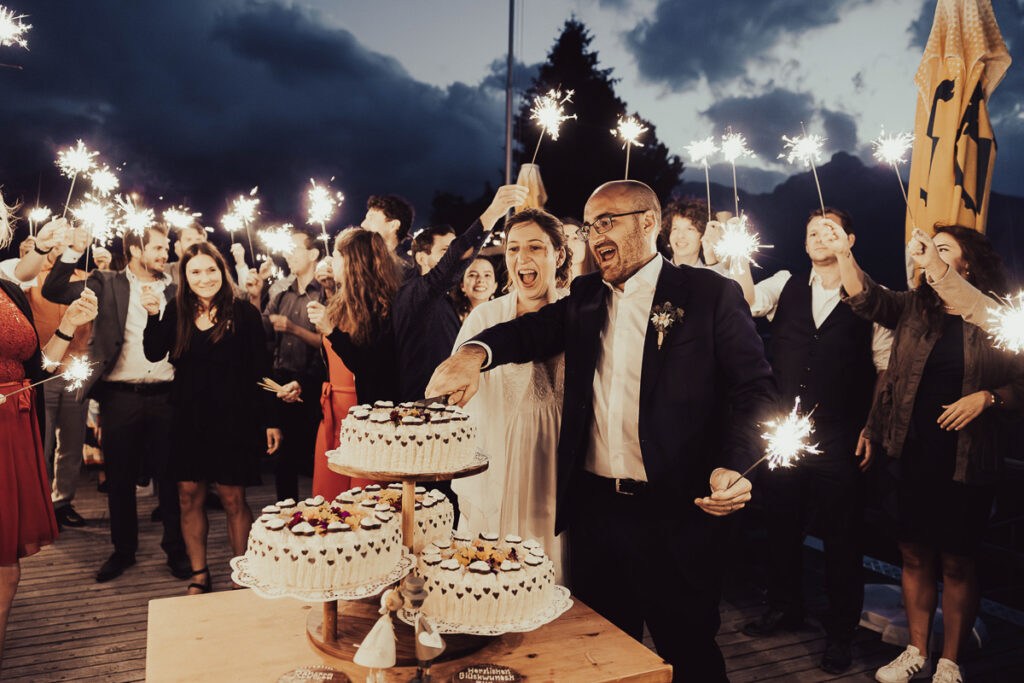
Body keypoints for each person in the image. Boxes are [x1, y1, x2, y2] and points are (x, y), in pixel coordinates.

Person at [427, 180, 777, 682]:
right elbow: (528, 331)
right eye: (590, 227)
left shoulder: (707, 294)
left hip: (676, 514)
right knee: (600, 656)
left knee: (691, 651)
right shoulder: (587, 296)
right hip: (595, 515)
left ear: (649, 222)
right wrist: (472, 354)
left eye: (607, 222)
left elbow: (754, 390)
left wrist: (737, 463)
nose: (595, 235)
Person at [825, 221, 1024, 683]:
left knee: (958, 559)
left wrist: (987, 398)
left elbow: (1021, 384)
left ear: (967, 261)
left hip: (968, 458)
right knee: (913, 554)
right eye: (926, 248)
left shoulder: (994, 314)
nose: (928, 254)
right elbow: (867, 298)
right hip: (912, 452)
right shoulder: (914, 307)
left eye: (942, 249)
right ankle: (916, 651)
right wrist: (842, 254)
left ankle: (949, 661)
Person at [740, 208, 893, 675]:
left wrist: (872, 427)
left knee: (842, 538)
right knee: (781, 525)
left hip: (841, 435)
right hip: (782, 433)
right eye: (812, 231)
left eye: (830, 230)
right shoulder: (786, 283)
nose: (819, 237)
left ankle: (841, 633)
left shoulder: (873, 298)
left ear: (848, 238)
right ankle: (785, 606)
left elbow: (885, 368)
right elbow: (743, 303)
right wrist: (738, 256)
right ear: (805, 244)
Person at [42, 223, 190, 583]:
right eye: (157, 247)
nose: (165, 252)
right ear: (136, 250)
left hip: (167, 395)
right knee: (120, 480)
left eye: (167, 246)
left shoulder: (177, 284)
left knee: (170, 480)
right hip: (119, 396)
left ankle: (177, 551)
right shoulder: (105, 282)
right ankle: (123, 551)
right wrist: (74, 250)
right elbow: (54, 288)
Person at [142, 242, 281, 594]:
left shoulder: (244, 313)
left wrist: (270, 420)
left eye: (210, 270)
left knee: (234, 498)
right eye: (195, 272)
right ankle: (199, 573)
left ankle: (242, 572)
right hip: (188, 417)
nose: (204, 278)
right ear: (184, 277)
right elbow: (154, 351)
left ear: (222, 271)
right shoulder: (176, 310)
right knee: (189, 496)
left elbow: (260, 369)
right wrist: (151, 314)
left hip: (234, 418)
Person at [1, 191, 98, 666]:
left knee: (6, 571)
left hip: (15, 420)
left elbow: (37, 367)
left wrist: (70, 326)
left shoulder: (8, 287)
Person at [451, 208, 570, 581]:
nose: (522, 258)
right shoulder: (485, 319)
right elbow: (460, 403)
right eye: (513, 249)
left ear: (559, 254)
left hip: (557, 466)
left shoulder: (577, 311)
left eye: (535, 247)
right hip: (499, 467)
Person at [5, 218, 95, 529]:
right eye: (57, 243)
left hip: (75, 371)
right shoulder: (29, 280)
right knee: (40, 442)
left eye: (64, 243)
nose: (60, 247)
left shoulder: (84, 278)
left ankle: (62, 502)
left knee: (71, 444)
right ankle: (37, 502)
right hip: (40, 372)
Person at [252, 226, 327, 502]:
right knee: (283, 460)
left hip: (314, 382)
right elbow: (261, 331)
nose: (288, 255)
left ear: (313, 254)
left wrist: (294, 329)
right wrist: (255, 295)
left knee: (314, 456)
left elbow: (331, 344)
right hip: (281, 381)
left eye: (295, 249)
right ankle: (289, 517)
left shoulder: (325, 294)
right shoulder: (281, 293)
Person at [307, 229, 402, 405]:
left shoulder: (382, 307)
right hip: (346, 406)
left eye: (335, 256)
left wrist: (331, 331)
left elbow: (369, 368)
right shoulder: (348, 303)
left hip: (380, 415)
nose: (329, 262)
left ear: (350, 262)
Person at [361, 194, 415, 270]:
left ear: (393, 225)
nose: (363, 224)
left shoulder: (407, 269)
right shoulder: (363, 263)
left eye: (371, 218)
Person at [451, 256, 498, 322]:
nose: (481, 280)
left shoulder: (505, 317)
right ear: (462, 286)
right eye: (472, 275)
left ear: (495, 286)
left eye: (487, 275)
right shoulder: (450, 317)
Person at [562, 217, 598, 281]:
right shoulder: (548, 286)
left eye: (575, 238)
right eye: (564, 240)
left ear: (586, 245)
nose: (569, 245)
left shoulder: (604, 283)